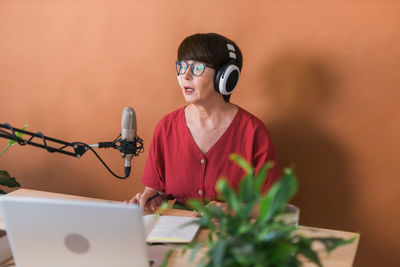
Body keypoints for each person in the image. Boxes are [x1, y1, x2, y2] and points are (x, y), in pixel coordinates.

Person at [127, 33, 280, 212]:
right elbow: (156, 190)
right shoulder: (166, 127)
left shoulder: (253, 132)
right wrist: (149, 198)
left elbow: (271, 205)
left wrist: (231, 211)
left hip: (233, 232)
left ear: (225, 77)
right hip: (177, 231)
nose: (186, 75)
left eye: (197, 67)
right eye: (182, 66)